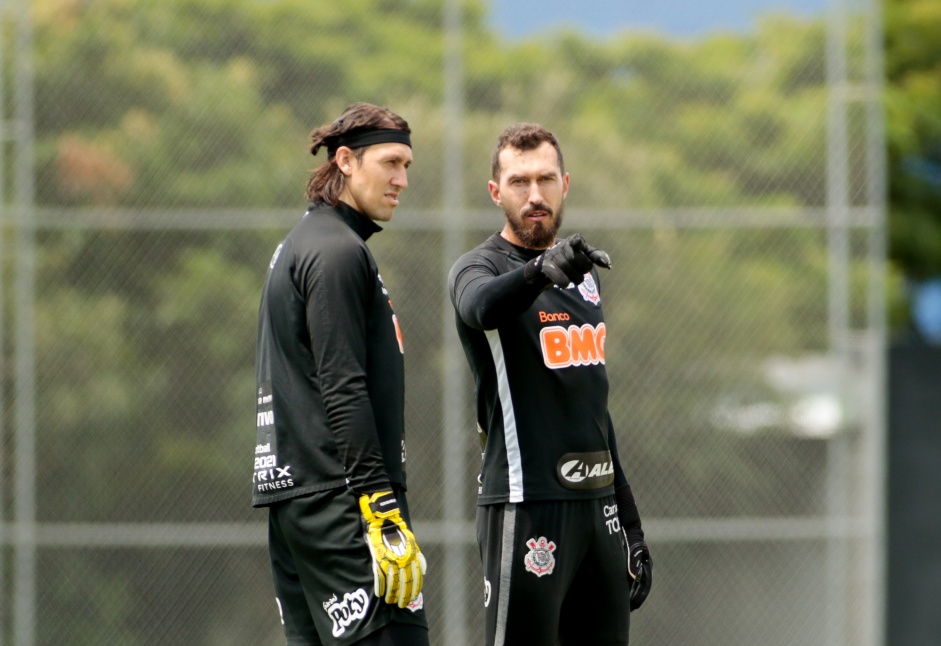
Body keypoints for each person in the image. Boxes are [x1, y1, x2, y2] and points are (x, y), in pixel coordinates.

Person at [448, 123, 653, 645]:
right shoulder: (480, 266)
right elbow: (479, 307)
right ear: (496, 192)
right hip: (526, 502)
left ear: (566, 183)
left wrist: (629, 522)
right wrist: (540, 270)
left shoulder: (584, 273)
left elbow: (593, 406)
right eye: (519, 182)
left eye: (545, 179)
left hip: (598, 508)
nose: (534, 195)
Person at [253, 102, 429, 646]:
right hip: (343, 502)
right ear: (347, 161)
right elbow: (342, 383)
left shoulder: (305, 243)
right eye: (391, 163)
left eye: (407, 166)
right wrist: (378, 507)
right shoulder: (335, 251)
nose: (402, 180)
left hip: (300, 500)